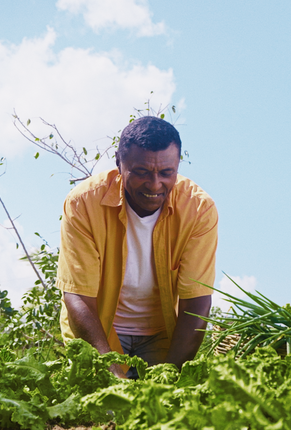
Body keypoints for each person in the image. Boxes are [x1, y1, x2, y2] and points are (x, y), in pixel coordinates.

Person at [56, 116, 217, 378]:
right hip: (98, 333)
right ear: (120, 163)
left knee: (161, 409)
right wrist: (109, 371)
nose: (155, 185)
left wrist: (169, 377)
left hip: (162, 334)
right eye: (141, 172)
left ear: (177, 166)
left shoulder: (198, 209)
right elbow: (77, 296)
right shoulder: (83, 204)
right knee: (105, 410)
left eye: (166, 173)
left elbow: (196, 302)